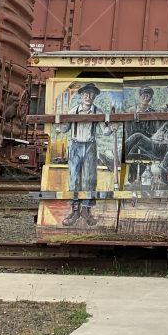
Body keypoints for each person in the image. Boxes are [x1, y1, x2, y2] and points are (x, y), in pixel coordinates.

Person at [63, 83, 101, 227]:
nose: (88, 96)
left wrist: (111, 127)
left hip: (90, 146)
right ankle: (75, 211)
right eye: (86, 93)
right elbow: (64, 128)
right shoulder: (74, 111)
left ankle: (87, 210)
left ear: (95, 96)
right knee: (74, 178)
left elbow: (105, 130)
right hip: (75, 146)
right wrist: (59, 121)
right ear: (81, 95)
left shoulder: (98, 111)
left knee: (90, 179)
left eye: (91, 94)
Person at [124, 86, 161, 185]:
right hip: (132, 145)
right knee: (131, 170)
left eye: (148, 95)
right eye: (143, 95)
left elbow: (155, 131)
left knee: (146, 172)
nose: (145, 98)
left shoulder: (153, 113)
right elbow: (127, 130)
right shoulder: (130, 111)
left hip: (146, 145)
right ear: (139, 97)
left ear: (150, 98)